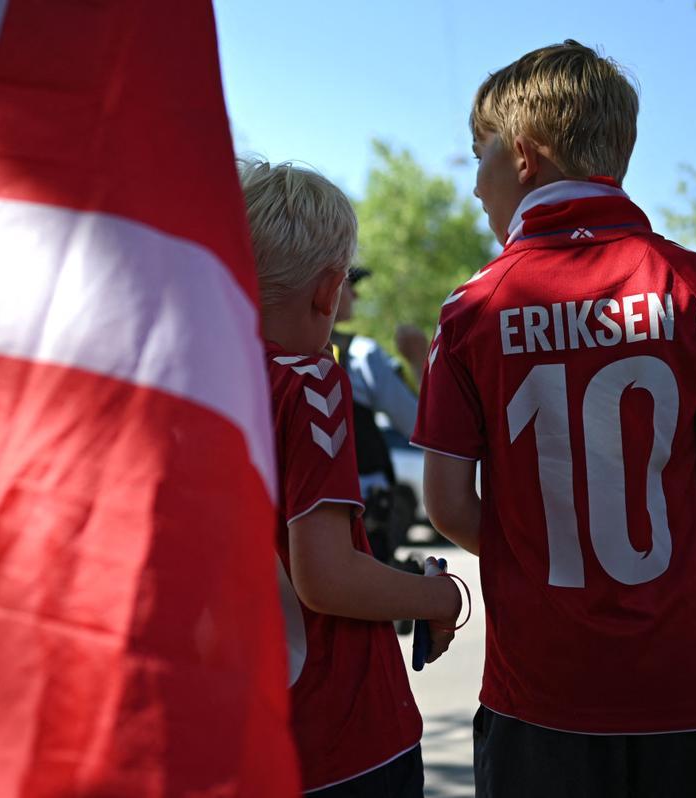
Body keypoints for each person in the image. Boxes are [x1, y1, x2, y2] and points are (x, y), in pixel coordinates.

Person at [413, 40, 696, 797]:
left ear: (523, 156)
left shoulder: (472, 311)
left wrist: (547, 552)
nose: (475, 184)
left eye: (479, 155)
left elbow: (449, 504)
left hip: (542, 697)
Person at [239, 157, 465, 796]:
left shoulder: (199, 385)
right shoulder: (309, 382)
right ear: (328, 290)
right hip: (342, 736)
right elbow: (327, 577)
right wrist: (440, 599)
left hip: (245, 731)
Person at [331, 269, 427, 562]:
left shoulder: (266, 350)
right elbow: (421, 426)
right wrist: (420, 361)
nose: (356, 295)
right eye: (350, 284)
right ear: (328, 287)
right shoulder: (362, 354)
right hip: (363, 517)